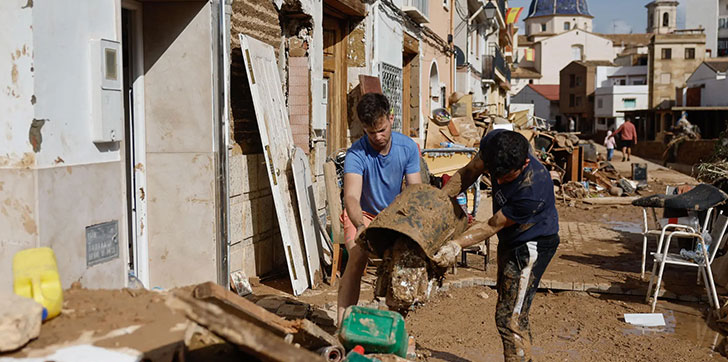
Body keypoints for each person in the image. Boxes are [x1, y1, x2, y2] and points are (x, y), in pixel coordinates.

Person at [434, 130, 560, 362]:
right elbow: (470, 171)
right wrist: (439, 203)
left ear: (524, 163)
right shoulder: (496, 143)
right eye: (495, 175)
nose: (499, 182)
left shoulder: (533, 189)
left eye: (507, 178)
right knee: (513, 310)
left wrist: (456, 245)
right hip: (511, 239)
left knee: (509, 318)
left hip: (532, 244)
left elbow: (492, 225)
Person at [337, 93, 422, 324]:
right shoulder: (356, 153)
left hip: (394, 215)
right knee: (356, 256)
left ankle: (393, 324)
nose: (377, 137)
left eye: (382, 129)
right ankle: (342, 325)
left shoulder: (408, 147)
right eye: (371, 132)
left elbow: (415, 192)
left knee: (403, 262)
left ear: (390, 118)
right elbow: (352, 198)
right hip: (362, 214)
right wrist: (360, 226)